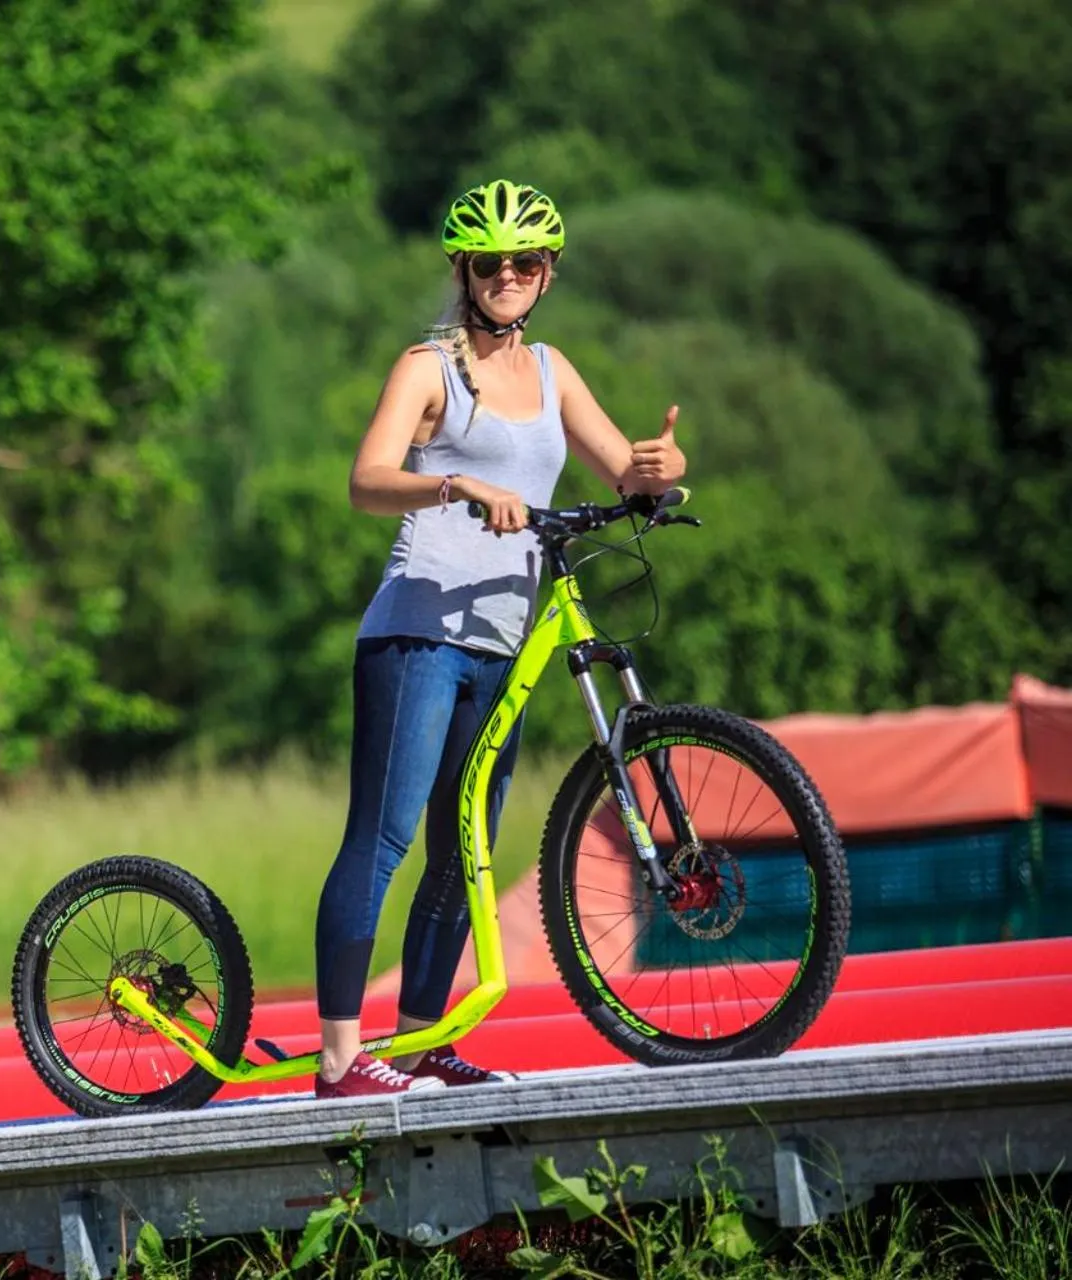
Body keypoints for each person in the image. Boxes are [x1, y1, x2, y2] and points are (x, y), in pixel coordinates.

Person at [313, 180, 687, 1097]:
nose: (509, 276)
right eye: (492, 263)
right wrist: (458, 488)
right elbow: (366, 480)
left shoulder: (555, 372)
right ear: (465, 272)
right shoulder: (427, 367)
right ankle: (337, 1060)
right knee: (387, 836)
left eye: (526, 262)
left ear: (548, 274)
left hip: (500, 641)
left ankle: (416, 1044)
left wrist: (659, 468)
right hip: (418, 630)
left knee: (463, 845)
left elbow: (626, 472)